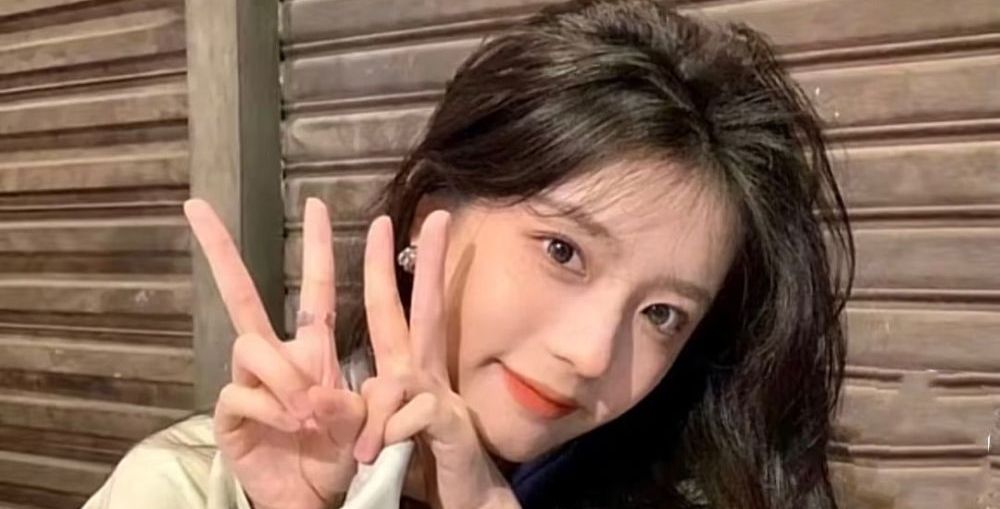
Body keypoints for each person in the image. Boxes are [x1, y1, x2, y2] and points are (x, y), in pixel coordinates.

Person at [83, 0, 854, 508]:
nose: (592, 353)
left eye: (661, 313)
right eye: (563, 251)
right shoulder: (182, 487)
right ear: (431, 223)